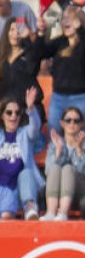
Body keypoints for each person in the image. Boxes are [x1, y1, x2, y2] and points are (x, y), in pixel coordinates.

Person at [47, 5, 85, 133]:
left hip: (80, 97)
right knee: (54, 137)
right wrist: (39, 33)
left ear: (79, 22)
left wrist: (80, 30)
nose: (66, 21)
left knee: (79, 137)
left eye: (70, 18)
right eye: (64, 18)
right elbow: (40, 52)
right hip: (58, 97)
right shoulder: (59, 42)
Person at [43, 105, 85, 220]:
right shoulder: (56, 143)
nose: (72, 124)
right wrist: (58, 151)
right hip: (58, 193)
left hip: (82, 193)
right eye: (68, 120)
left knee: (67, 169)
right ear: (62, 123)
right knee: (56, 168)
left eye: (76, 121)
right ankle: (51, 213)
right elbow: (48, 172)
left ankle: (63, 213)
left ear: (82, 124)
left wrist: (79, 149)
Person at [0, 88, 43, 220]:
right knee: (5, 218)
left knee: (26, 172)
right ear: (2, 115)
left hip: (19, 185)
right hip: (2, 184)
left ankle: (30, 208)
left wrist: (30, 109)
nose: (13, 116)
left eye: (17, 113)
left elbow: (35, 129)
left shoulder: (24, 133)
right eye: (9, 112)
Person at [0, 17, 47, 122]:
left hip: (27, 109)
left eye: (19, 29)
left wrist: (27, 39)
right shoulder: (2, 55)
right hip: (6, 112)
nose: (15, 33)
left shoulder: (29, 52)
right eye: (12, 29)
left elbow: (33, 66)